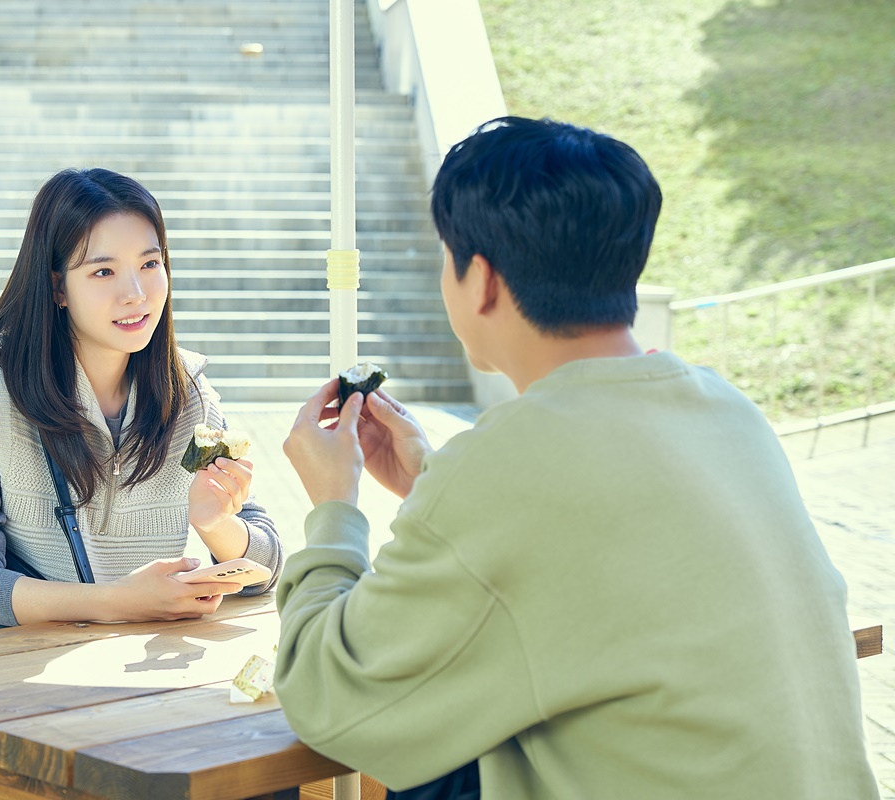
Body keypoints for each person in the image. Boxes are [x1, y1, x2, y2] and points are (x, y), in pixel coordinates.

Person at [277, 117, 878, 799]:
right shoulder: (727, 410)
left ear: (481, 280)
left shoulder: (508, 460)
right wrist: (430, 480)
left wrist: (333, 505)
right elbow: (593, 568)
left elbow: (329, 700)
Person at [0, 167, 282, 626]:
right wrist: (118, 603)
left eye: (150, 264)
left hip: (149, 679)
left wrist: (215, 525)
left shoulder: (190, 390)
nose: (135, 294)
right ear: (58, 287)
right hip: (24, 680)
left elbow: (267, 569)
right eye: (103, 271)